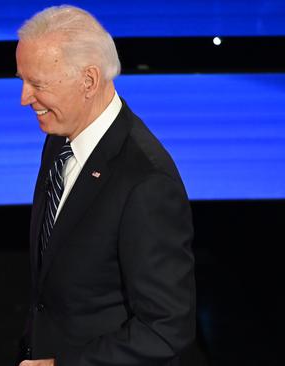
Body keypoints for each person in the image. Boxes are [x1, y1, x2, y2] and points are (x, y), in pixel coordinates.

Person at [15, 5, 197, 366]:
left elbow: (166, 327)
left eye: (38, 84)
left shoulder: (146, 181)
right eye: (22, 79)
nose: (24, 97)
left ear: (89, 80)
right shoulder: (59, 140)